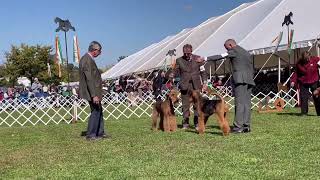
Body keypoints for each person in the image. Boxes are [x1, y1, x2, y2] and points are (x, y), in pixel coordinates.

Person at [199, 39, 255, 133]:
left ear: (230, 45)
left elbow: (220, 56)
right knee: (247, 104)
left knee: (239, 103)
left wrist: (205, 58)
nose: (227, 50)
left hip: (240, 79)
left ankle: (238, 127)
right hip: (249, 79)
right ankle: (246, 126)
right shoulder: (246, 52)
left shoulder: (234, 51)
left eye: (226, 48)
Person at [79, 41, 110, 140]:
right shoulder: (87, 60)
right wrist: (94, 95)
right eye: (100, 51)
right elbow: (89, 79)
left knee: (99, 110)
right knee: (95, 111)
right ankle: (91, 135)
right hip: (91, 92)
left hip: (94, 91)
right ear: (95, 50)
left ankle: (100, 132)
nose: (100, 53)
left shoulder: (88, 59)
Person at [175, 44, 207, 130]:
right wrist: (176, 81)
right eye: (185, 53)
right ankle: (185, 123)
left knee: (197, 105)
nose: (186, 55)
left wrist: (204, 83)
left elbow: (203, 72)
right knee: (185, 105)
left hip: (196, 85)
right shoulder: (179, 60)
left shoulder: (198, 58)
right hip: (184, 85)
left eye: (188, 53)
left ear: (191, 51)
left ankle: (196, 123)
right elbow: (176, 73)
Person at [296, 51, 320, 115]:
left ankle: (319, 112)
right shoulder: (299, 63)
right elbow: (298, 73)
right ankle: (304, 113)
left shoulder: (315, 59)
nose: (307, 60)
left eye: (308, 58)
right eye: (305, 59)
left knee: (317, 96)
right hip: (304, 82)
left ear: (310, 56)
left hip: (314, 80)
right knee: (304, 97)